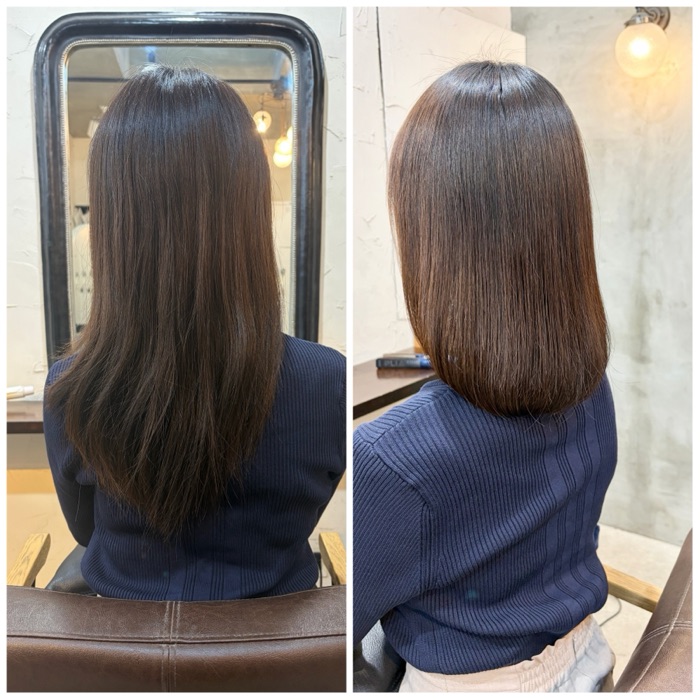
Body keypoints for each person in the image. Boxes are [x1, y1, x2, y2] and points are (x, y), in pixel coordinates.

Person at [353, 61, 616, 692]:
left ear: (429, 241)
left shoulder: (388, 459)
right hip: (588, 656)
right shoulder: (593, 390)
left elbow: (338, 631)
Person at [43, 65, 345, 601]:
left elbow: (86, 532)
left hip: (124, 645)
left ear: (114, 222)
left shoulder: (71, 387)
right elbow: (302, 516)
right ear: (249, 209)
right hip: (278, 645)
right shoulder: (326, 381)